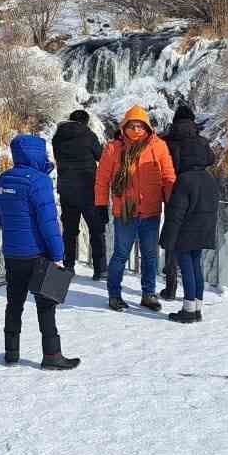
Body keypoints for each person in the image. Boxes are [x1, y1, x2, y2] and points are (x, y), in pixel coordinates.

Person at [0, 135, 80, 370]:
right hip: (38, 253)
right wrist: (58, 254)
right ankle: (51, 355)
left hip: (12, 253)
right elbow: (48, 223)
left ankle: (11, 352)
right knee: (46, 305)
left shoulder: (2, 180)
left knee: (14, 303)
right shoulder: (39, 181)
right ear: (37, 154)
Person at [94, 105, 177, 312]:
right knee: (121, 254)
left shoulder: (159, 146)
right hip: (125, 212)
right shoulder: (114, 148)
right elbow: (102, 180)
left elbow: (168, 177)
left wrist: (174, 204)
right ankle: (114, 295)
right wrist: (101, 205)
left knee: (150, 255)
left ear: (147, 127)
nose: (137, 129)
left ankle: (148, 294)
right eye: (133, 125)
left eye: (141, 125)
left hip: (151, 210)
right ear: (125, 126)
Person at [158, 133, 218, 323]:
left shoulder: (184, 180)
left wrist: (167, 238)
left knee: (187, 270)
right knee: (196, 267)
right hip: (204, 230)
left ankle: (188, 309)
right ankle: (197, 308)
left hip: (186, 232)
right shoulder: (210, 179)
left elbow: (176, 213)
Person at [51, 109, 106, 279]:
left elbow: (58, 158)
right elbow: (101, 156)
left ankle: (69, 266)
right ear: (86, 122)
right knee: (96, 230)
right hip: (88, 189)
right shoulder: (89, 136)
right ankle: (100, 269)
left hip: (67, 190)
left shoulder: (57, 138)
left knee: (69, 231)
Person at [157, 105, 201, 300]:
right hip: (196, 194)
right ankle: (194, 294)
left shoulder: (165, 141)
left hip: (172, 192)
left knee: (172, 237)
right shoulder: (201, 142)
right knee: (193, 240)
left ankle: (171, 287)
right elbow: (210, 160)